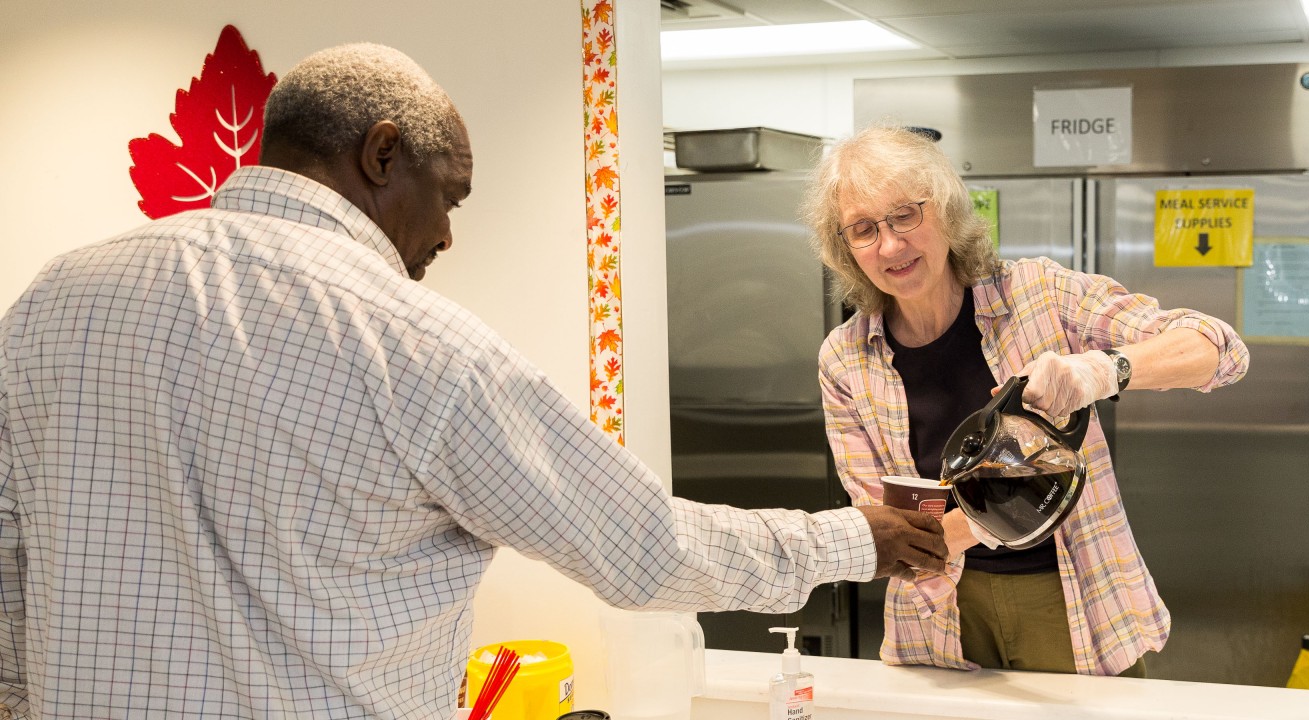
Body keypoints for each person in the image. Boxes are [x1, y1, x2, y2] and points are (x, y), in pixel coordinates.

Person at [0, 45, 945, 718]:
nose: (446, 236)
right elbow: (644, 547)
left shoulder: (57, 295)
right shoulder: (416, 346)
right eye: (448, 194)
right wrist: (848, 540)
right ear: (380, 155)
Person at [807, 125, 1249, 677]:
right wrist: (1001, 507)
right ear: (844, 248)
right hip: (936, 614)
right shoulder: (845, 358)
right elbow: (888, 526)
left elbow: (1220, 349)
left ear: (944, 210)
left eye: (905, 216)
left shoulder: (1040, 295)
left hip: (1075, 599)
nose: (891, 245)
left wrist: (1100, 370)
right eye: (864, 229)